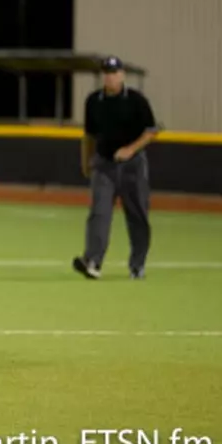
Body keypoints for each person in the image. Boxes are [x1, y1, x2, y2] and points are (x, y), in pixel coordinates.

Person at [73, 56, 158, 280]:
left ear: (122, 75)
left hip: (133, 166)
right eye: (107, 72)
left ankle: (137, 265)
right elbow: (89, 135)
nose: (110, 76)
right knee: (99, 213)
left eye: (114, 72)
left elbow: (150, 131)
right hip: (104, 164)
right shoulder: (94, 101)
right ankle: (93, 261)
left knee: (137, 215)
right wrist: (86, 161)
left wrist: (130, 149)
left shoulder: (136, 100)